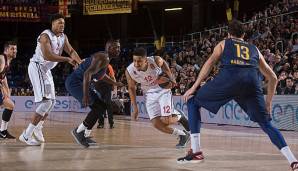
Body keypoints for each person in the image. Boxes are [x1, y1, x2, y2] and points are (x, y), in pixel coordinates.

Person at [177, 20, 298, 171]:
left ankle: (196, 151)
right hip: (251, 84)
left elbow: (208, 64)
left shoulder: (224, 43)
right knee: (266, 124)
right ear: (244, 35)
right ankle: (293, 161)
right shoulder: (254, 48)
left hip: (230, 78)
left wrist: (193, 87)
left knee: (193, 101)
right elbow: (273, 77)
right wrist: (268, 103)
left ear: (228, 34)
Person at [19, 13, 81, 146]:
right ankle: (26, 135)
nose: (62, 25)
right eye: (59, 23)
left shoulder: (63, 37)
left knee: (52, 102)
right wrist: (67, 59)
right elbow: (47, 55)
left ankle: (38, 126)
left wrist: (80, 63)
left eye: (63, 23)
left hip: (46, 70)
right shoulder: (45, 36)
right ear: (52, 23)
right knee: (46, 102)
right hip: (37, 67)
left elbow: (71, 51)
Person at [125, 47, 190, 148]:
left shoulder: (155, 60)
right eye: (134, 61)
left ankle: (180, 116)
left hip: (163, 90)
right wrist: (135, 107)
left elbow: (164, 64)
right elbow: (131, 88)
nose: (136, 64)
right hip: (149, 94)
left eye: (139, 61)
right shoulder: (129, 71)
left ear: (145, 60)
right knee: (156, 124)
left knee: (166, 120)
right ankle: (183, 135)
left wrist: (171, 78)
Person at [65, 39, 123, 148]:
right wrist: (86, 95)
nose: (119, 50)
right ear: (109, 48)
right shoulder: (103, 57)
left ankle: (85, 135)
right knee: (98, 107)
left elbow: (101, 76)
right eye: (116, 47)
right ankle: (78, 132)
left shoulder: (105, 58)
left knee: (101, 107)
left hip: (80, 82)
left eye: (119, 47)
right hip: (75, 83)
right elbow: (87, 74)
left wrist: (115, 82)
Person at [0, 41, 17, 140]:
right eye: (12, 49)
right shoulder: (1, 58)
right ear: (6, 50)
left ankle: (3, 131)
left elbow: (3, 76)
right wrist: (3, 90)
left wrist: (7, 89)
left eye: (15, 49)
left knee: (10, 105)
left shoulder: (7, 61)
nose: (15, 51)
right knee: (10, 105)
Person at [96, 64, 116, 129]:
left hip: (107, 87)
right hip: (98, 88)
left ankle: (111, 123)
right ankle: (101, 123)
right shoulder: (96, 66)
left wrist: (113, 85)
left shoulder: (109, 66)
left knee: (108, 105)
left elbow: (112, 77)